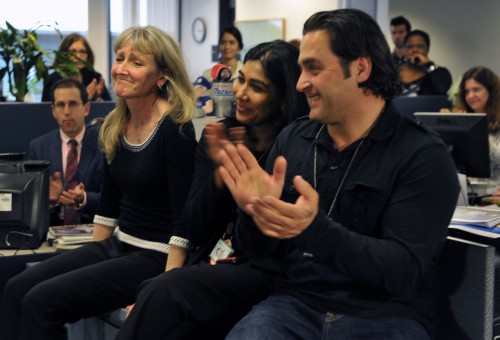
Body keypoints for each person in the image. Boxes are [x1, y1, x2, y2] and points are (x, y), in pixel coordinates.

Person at [216, 9, 459, 339]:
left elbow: (401, 271)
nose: (300, 84)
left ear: (360, 69)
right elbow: (256, 251)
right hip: (295, 306)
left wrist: (314, 229)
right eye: (301, 69)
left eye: (313, 68)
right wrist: (255, 211)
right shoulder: (295, 138)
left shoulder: (421, 154)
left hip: (385, 316)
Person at [0, 25, 197, 340]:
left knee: (41, 301)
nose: (121, 69)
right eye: (120, 58)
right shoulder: (116, 125)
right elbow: (108, 208)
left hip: (154, 255)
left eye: (136, 62)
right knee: (15, 287)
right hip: (116, 245)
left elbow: (183, 224)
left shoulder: (176, 130)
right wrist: (88, 266)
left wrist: (164, 287)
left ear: (162, 76)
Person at [115, 40, 309, 340]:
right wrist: (220, 176)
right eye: (241, 79)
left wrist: (253, 195)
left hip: (264, 269)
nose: (241, 93)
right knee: (155, 291)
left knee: (163, 291)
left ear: (283, 98)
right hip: (213, 260)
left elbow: (273, 248)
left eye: (257, 87)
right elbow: (193, 225)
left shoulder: (297, 149)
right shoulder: (219, 135)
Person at [28, 78, 103, 226]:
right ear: (53, 111)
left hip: (94, 231)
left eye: (73, 104)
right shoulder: (38, 148)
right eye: (61, 105)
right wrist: (49, 200)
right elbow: (27, 203)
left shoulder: (105, 145)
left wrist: (84, 198)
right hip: (51, 232)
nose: (67, 112)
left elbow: (118, 197)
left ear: (86, 108)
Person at [453, 66, 500, 200]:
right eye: (467, 91)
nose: (470, 96)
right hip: (468, 193)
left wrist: (483, 141)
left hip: (494, 194)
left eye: (476, 90)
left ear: (491, 91)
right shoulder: (463, 118)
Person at [42, 33, 112, 102]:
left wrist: (97, 97)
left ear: (88, 55)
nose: (78, 56)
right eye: (73, 52)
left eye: (82, 52)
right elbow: (45, 110)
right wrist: (85, 98)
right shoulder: (52, 79)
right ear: (63, 55)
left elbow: (109, 109)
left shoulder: (94, 77)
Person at [399, 29, 452, 96]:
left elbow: (444, 89)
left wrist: (429, 65)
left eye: (420, 46)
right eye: (410, 47)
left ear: (427, 49)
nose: (415, 50)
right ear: (404, 49)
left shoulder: (440, 72)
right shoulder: (395, 72)